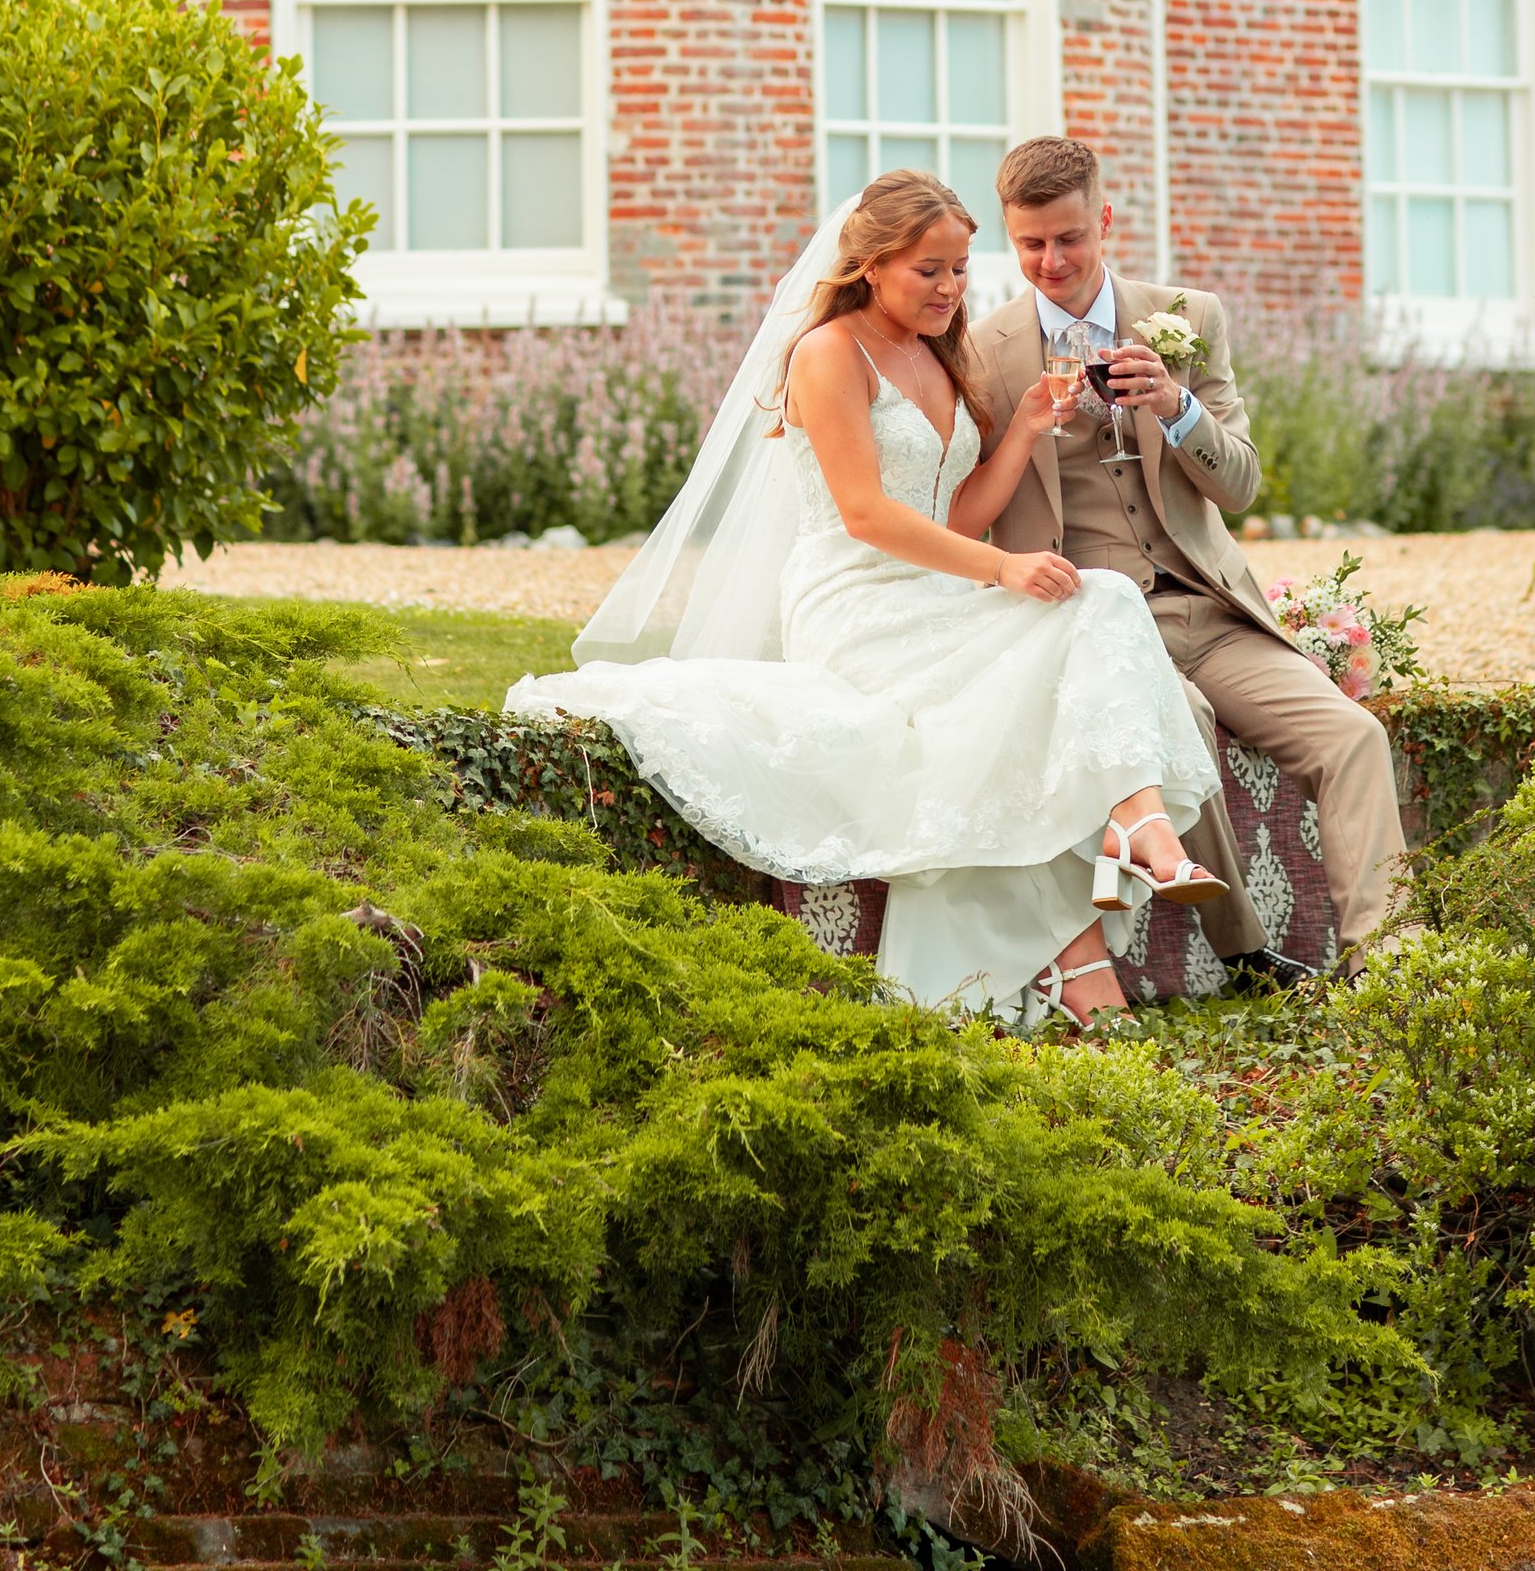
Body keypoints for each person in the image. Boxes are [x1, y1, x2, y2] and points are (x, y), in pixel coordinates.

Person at [506, 170, 1232, 1026]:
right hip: (855, 605)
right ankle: (1091, 938)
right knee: (1054, 648)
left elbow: (950, 513)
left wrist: (1026, 429)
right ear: (872, 264)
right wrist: (1002, 569)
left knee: (1101, 596)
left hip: (936, 597)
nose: (950, 289)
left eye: (959, 269)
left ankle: (1134, 824)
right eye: (929, 270)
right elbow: (864, 513)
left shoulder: (938, 352)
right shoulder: (827, 353)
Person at [970, 135, 1412, 973]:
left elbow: (1240, 486)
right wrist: (1026, 430)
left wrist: (1176, 407)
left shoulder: (1188, 318)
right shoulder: (982, 351)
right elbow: (965, 513)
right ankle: (1247, 954)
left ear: (1105, 220)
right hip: (1091, 626)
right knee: (1188, 725)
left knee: (1353, 736)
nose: (1052, 262)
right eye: (1031, 243)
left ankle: (1388, 964)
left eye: (1070, 238)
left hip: (1207, 611)